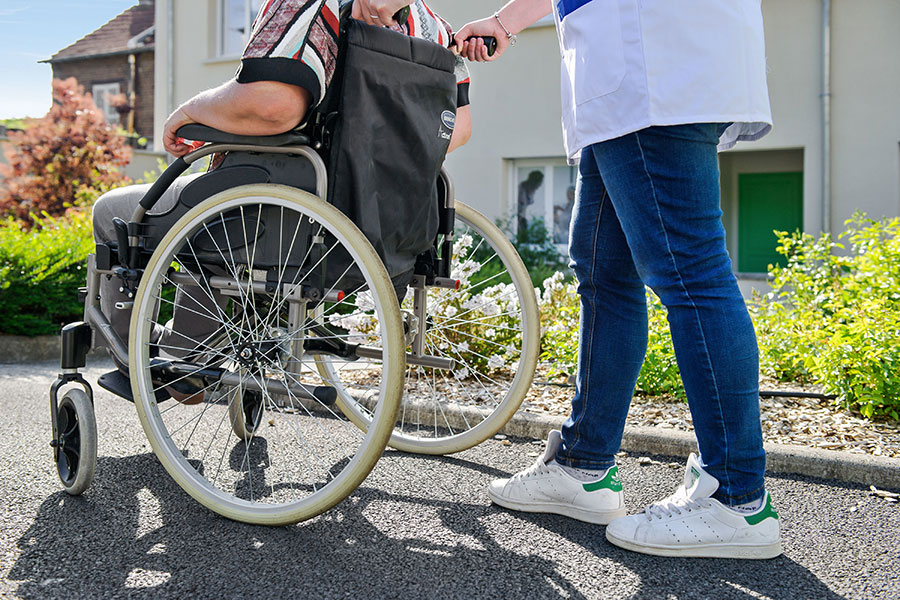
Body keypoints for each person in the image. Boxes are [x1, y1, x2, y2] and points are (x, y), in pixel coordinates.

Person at [455, 0, 782, 559]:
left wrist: (506, 20)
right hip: (633, 70)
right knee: (604, 270)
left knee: (690, 272)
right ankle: (584, 465)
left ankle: (736, 498)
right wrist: (508, 21)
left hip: (652, 63)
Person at [92, 0, 471, 379]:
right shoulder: (436, 31)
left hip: (284, 213)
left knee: (113, 211)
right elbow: (458, 128)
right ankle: (187, 360)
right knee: (214, 219)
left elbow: (275, 108)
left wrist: (191, 111)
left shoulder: (313, 8)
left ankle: (134, 352)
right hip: (381, 224)